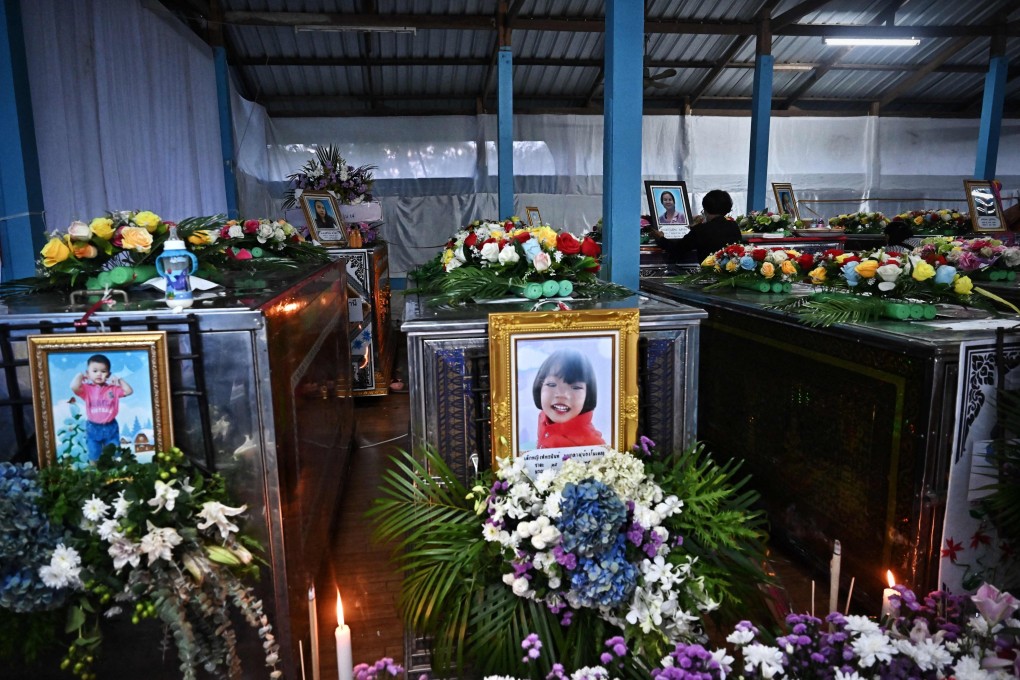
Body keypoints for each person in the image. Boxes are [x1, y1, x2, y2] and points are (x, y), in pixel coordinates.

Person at [531, 348, 605, 448]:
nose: (562, 394)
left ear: (588, 394)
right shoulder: (543, 416)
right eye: (552, 384)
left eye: (575, 387)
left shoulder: (592, 444)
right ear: (539, 387)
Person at [70, 354, 133, 462]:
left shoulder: (113, 389)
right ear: (88, 374)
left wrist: (120, 380)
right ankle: (95, 473)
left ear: (108, 374)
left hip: (110, 426)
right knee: (94, 453)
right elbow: (74, 387)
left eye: (103, 371)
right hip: (93, 427)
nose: (99, 374)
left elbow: (129, 391)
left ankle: (115, 473)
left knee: (114, 452)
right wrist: (80, 375)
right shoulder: (87, 389)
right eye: (95, 371)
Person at [651, 189, 743, 262]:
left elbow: (676, 250)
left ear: (706, 209)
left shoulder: (701, 230)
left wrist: (661, 238)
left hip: (709, 276)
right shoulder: (733, 226)